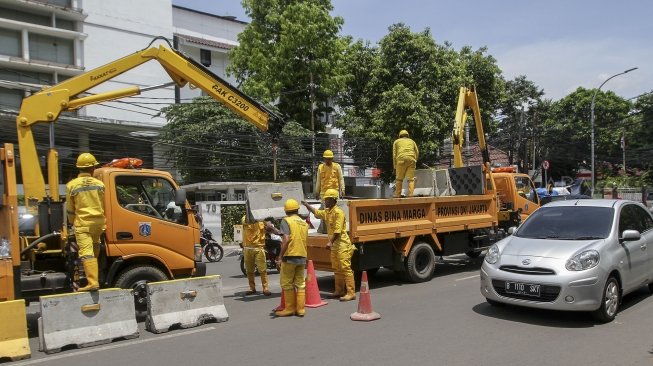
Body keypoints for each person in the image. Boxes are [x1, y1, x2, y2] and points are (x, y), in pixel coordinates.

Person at [302, 189, 356, 301]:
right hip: (335, 246)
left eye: (327, 199)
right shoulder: (328, 212)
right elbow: (317, 213)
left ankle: (351, 292)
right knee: (337, 268)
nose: (325, 201)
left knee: (345, 268)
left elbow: (337, 230)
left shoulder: (338, 212)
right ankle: (339, 290)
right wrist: (307, 205)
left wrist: (330, 242)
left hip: (342, 245)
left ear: (333, 200)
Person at [66, 152, 106, 292]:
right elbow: (102, 204)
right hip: (98, 223)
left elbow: (70, 210)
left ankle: (92, 282)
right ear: (92, 168)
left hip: (83, 224)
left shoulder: (72, 185)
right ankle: (94, 275)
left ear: (79, 168)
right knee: (95, 248)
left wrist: (72, 223)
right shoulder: (100, 184)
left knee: (86, 252)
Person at [275, 199, 309, 317]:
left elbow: (286, 239)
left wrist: (280, 257)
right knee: (300, 283)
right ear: (297, 209)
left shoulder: (286, 220)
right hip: (302, 255)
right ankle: (300, 309)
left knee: (287, 283)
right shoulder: (303, 222)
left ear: (286, 210)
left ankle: (289, 308)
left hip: (290, 256)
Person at [242, 215, 280, 296]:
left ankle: (265, 288)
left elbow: (271, 229)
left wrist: (272, 228)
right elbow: (245, 221)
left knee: (262, 270)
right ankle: (252, 288)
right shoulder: (245, 217)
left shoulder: (262, 221)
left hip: (259, 247)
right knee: (249, 270)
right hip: (248, 248)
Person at [393, 129, 419, 198]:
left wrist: (395, 166)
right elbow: (417, 152)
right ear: (407, 135)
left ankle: (398, 195)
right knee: (411, 179)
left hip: (401, 160)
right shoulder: (412, 141)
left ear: (400, 136)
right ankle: (410, 195)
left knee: (399, 179)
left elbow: (394, 154)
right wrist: (414, 160)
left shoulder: (396, 142)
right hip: (411, 160)